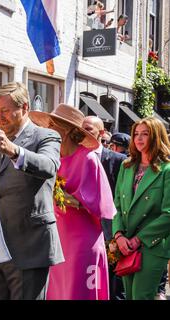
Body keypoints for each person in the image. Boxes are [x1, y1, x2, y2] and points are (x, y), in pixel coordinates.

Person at [0, 82, 64, 300]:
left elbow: (49, 166)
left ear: (25, 107)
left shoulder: (46, 136)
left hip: (29, 247)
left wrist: (13, 150)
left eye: (5, 111)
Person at [30, 104, 116, 300]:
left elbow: (102, 206)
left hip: (81, 243)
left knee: (78, 293)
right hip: (56, 239)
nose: (48, 128)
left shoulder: (88, 159)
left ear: (67, 130)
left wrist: (63, 196)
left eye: (53, 124)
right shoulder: (51, 157)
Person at [112, 117, 170, 300]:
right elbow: (117, 206)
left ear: (157, 137)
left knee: (141, 296)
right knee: (129, 296)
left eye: (145, 134)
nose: (139, 138)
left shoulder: (166, 170)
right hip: (126, 243)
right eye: (136, 134)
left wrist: (139, 239)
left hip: (152, 244)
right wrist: (119, 235)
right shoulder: (126, 166)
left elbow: (168, 214)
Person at [82, 116, 127, 300]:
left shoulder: (118, 160)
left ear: (101, 134)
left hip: (110, 230)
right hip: (83, 229)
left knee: (113, 282)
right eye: (81, 128)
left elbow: (122, 196)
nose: (83, 132)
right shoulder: (76, 156)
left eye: (89, 129)